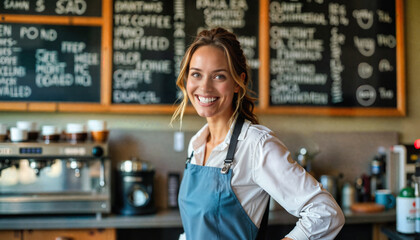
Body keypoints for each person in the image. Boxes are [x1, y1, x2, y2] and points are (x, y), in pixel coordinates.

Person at [171, 27, 345, 240]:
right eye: (196, 74)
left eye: (219, 76)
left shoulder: (256, 145)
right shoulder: (196, 145)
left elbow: (326, 212)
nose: (204, 87)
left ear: (238, 82)